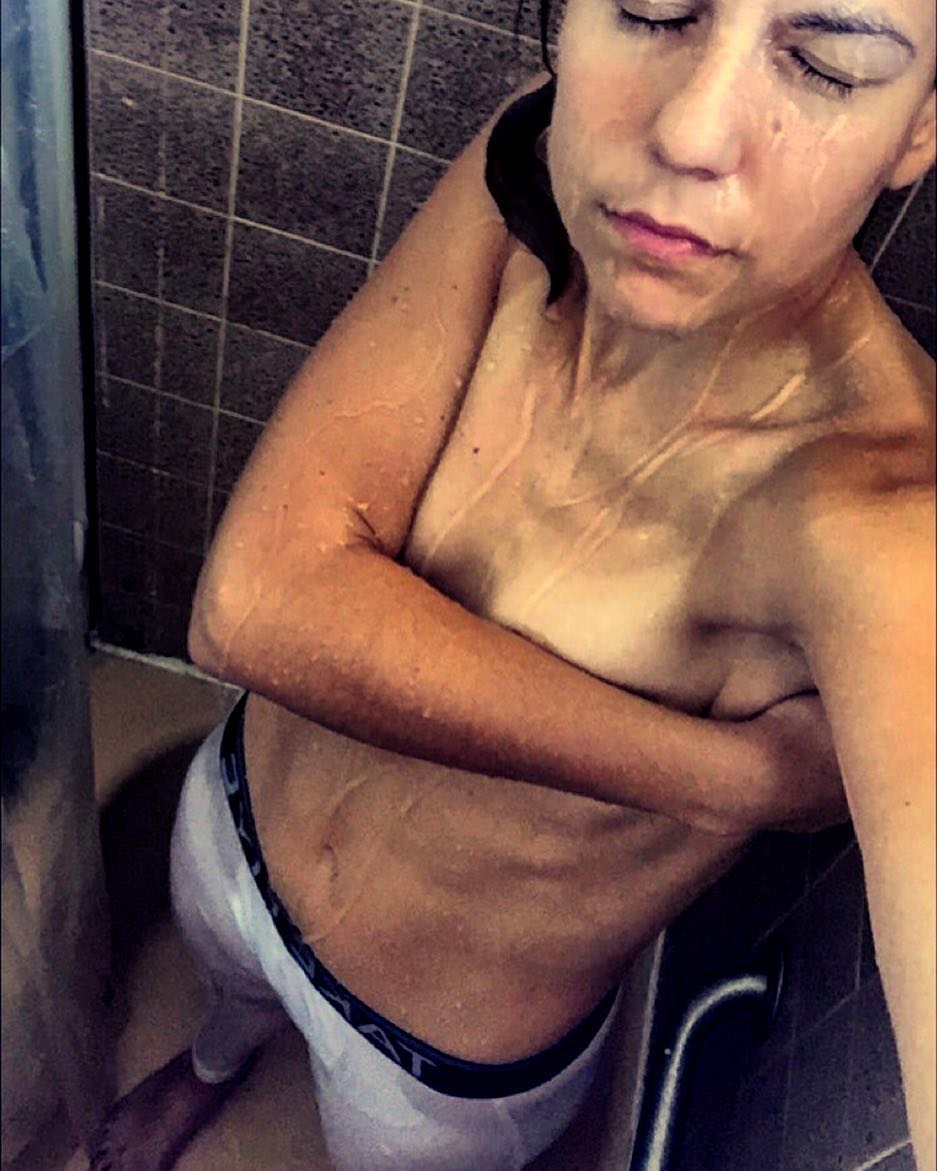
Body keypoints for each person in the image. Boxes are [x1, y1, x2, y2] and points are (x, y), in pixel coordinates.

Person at [90, 1, 936, 1168]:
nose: (689, 131)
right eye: (649, 7)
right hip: (232, 829)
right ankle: (207, 1065)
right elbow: (253, 608)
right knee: (220, 1010)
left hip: (429, 1060)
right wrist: (740, 777)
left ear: (918, 126)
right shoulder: (540, 155)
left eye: (826, 66)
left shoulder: (882, 518)